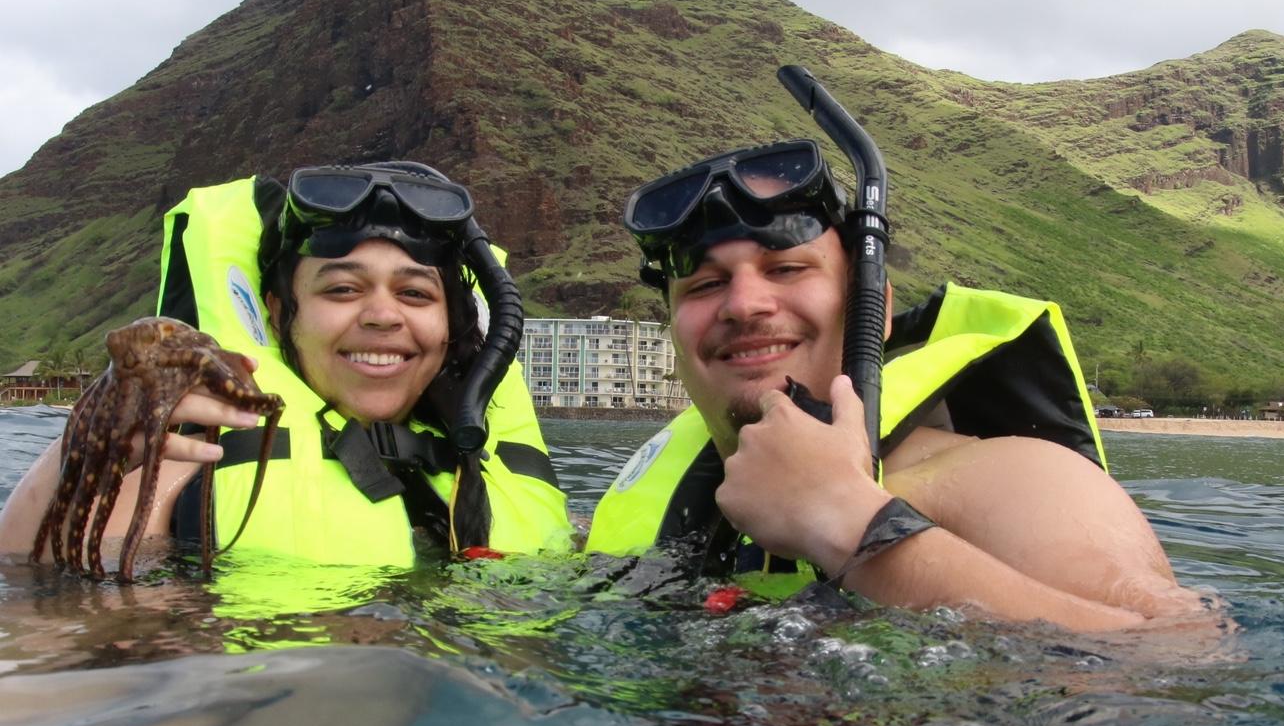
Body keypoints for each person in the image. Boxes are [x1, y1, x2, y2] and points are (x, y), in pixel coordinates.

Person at [586, 140, 1205, 632]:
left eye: (787, 268)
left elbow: (1173, 657)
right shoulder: (675, 508)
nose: (744, 304)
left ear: (873, 309)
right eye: (705, 285)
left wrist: (847, 522)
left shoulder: (1016, 481)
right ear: (674, 327)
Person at [1, 163, 570, 571]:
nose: (381, 316)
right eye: (342, 289)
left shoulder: (499, 480)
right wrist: (84, 455)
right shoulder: (187, 471)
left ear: (452, 327)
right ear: (277, 314)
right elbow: (32, 631)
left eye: (415, 294)